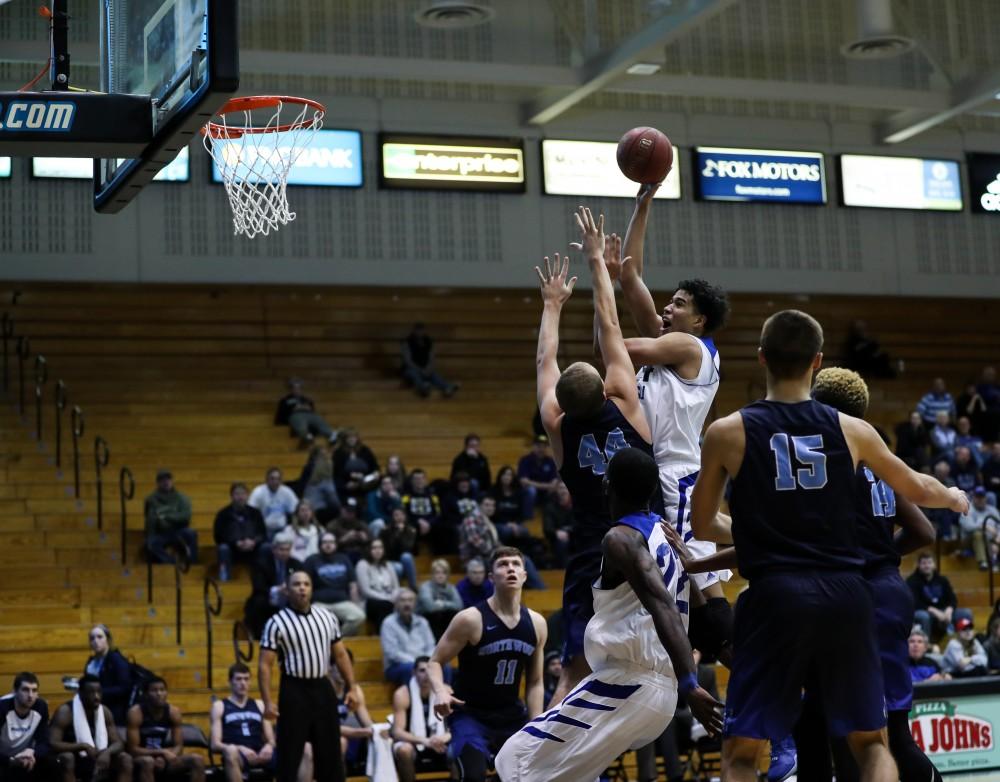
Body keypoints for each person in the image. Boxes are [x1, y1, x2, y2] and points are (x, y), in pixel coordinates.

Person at [689, 309, 967, 782]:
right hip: (846, 593)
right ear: (817, 361)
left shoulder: (727, 432)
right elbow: (919, 489)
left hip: (775, 597)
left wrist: (763, 527)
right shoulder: (853, 430)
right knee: (872, 744)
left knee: (741, 752)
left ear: (761, 358)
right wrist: (955, 497)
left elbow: (701, 524)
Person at [495, 450, 722, 781]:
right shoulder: (664, 533)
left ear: (607, 485)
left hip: (630, 680)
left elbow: (662, 604)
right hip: (655, 691)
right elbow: (699, 608)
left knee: (516, 758)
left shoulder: (621, 538)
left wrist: (690, 681)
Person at [792, 367, 943, 782]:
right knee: (878, 726)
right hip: (888, 591)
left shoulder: (827, 462)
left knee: (842, 725)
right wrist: (877, 555)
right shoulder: (877, 460)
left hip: (849, 597)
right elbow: (923, 530)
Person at [534, 207, 659, 705]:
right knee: (656, 662)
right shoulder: (627, 401)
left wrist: (552, 304)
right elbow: (609, 322)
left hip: (592, 548)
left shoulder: (556, 423)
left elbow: (546, 360)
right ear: (607, 392)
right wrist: (596, 265)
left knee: (573, 668)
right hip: (649, 541)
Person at [611, 186, 734, 669]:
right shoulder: (672, 340)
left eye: (679, 304)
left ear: (699, 320)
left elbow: (618, 348)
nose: (667, 308)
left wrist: (599, 302)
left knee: (701, 583)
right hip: (651, 474)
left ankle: (763, 687)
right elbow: (631, 275)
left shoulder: (690, 348)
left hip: (677, 476)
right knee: (667, 590)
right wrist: (643, 205)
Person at [428, 547, 547, 782]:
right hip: (470, 715)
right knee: (473, 776)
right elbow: (435, 662)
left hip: (511, 715)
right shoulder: (470, 619)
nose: (510, 568)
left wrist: (536, 724)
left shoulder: (537, 623)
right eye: (503, 564)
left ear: (524, 574)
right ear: (491, 577)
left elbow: (535, 682)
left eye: (515, 564)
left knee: (526, 776)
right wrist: (441, 690)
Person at [258, 569, 361, 782]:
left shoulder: (327, 617)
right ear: (287, 590)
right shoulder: (276, 622)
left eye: (306, 584)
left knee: (331, 752)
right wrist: (267, 701)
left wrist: (352, 687)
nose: (302, 588)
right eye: (296, 584)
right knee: (290, 753)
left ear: (312, 589)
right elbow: (265, 665)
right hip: (293, 689)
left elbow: (341, 655)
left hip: (323, 688)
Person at [210, 663, 296, 782]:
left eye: (246, 679)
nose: (243, 683)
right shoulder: (219, 706)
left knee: (298, 750)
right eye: (238, 679)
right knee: (230, 752)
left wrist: (269, 746)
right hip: (238, 755)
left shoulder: (260, 705)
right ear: (230, 682)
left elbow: (271, 739)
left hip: (261, 753)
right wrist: (239, 748)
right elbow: (215, 744)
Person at [49, 676, 132, 782]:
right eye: (91, 692)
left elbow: (118, 743)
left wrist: (107, 753)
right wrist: (83, 746)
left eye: (99, 692)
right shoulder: (65, 712)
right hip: (75, 759)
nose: (96, 696)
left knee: (125, 759)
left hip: (99, 756)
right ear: (81, 693)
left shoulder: (105, 711)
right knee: (67, 758)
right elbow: (53, 743)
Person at [126, 676, 204, 782]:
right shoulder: (135, 713)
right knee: (147, 762)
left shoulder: (173, 712)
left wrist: (167, 757)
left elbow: (178, 745)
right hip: (140, 759)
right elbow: (133, 749)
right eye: (154, 690)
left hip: (163, 759)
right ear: (145, 694)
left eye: (162, 690)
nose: (159, 694)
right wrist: (161, 753)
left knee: (197, 759)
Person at [389, 657, 450, 782]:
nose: (427, 675)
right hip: (414, 742)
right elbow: (397, 732)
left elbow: (457, 726)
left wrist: (445, 737)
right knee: (404, 750)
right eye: (422, 670)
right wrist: (425, 741)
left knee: (461, 745)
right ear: (414, 673)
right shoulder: (402, 694)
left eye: (430, 671)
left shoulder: (446, 692)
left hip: (441, 741)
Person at [243, 531, 304, 638]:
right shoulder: (261, 563)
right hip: (268, 596)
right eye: (281, 549)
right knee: (258, 602)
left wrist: (291, 590)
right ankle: (260, 637)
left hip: (289, 596)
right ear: (274, 549)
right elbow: (258, 586)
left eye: (287, 550)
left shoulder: (296, 564)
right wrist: (278, 589)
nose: (284, 553)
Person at [305, 532, 365, 636]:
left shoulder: (344, 559)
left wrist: (355, 603)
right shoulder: (311, 560)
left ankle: (337, 638)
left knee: (359, 616)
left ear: (336, 544)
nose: (328, 545)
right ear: (320, 545)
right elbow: (305, 584)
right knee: (312, 622)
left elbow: (353, 585)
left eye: (331, 542)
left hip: (342, 602)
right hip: (319, 603)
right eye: (325, 542)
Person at [0, 672, 56, 781]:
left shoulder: (41, 706)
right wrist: (10, 761)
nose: (30, 695)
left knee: (53, 762)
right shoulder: (2, 709)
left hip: (27, 758)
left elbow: (44, 742)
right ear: (14, 691)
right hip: (3, 759)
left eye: (34, 690)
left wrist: (31, 751)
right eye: (25, 690)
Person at [381, 589, 438, 686]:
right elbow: (392, 653)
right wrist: (417, 663)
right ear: (396, 604)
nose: (407, 604)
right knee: (410, 668)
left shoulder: (423, 622)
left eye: (410, 600)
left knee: (445, 668)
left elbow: (431, 646)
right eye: (403, 600)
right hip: (397, 665)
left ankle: (442, 699)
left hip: (423, 662)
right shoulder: (388, 623)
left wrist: (426, 661)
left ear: (415, 603)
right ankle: (413, 699)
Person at [213, 482, 267, 582]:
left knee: (266, 548)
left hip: (253, 549)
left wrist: (254, 542)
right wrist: (235, 542)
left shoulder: (255, 513)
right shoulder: (223, 514)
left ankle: (264, 579)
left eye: (243, 494)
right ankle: (225, 580)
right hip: (233, 550)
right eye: (237, 494)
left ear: (247, 495)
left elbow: (263, 533)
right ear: (231, 496)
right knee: (223, 549)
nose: (240, 497)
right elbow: (218, 536)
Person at [81, 626, 131, 729]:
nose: (96, 641)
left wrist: (98, 692)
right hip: (93, 709)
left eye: (100, 637)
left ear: (107, 639)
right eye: (92, 638)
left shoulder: (117, 660)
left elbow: (125, 688)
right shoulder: (91, 662)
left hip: (114, 711)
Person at [144, 469, 196, 564]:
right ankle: (172, 562)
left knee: (191, 533)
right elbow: (150, 520)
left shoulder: (182, 498)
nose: (166, 482)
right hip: (161, 533)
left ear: (172, 481)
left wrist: (165, 516)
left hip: (178, 531)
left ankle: (192, 563)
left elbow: (185, 517)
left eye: (168, 479)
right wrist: (150, 536)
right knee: (150, 543)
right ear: (158, 483)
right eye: (162, 480)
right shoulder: (151, 499)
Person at [907, 552, 958, 641]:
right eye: (924, 563)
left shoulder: (942, 580)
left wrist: (949, 610)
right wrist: (934, 611)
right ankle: (926, 644)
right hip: (922, 611)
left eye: (930, 563)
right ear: (918, 565)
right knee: (924, 616)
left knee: (965, 613)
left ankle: (956, 643)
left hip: (943, 610)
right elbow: (914, 602)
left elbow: (953, 599)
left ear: (934, 565)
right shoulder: (911, 581)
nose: (927, 566)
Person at [274, 378, 337, 446]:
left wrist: (307, 408)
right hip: (295, 415)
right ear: (290, 389)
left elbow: (312, 409)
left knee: (318, 419)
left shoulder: (306, 399)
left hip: (309, 414)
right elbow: (281, 413)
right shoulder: (285, 400)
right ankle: (306, 436)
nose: (297, 390)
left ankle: (331, 435)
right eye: (294, 388)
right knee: (299, 421)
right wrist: (294, 409)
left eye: (298, 388)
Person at [355, 538, 400, 630]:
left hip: (389, 598)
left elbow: (396, 587)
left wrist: (394, 596)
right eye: (374, 548)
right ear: (368, 550)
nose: (378, 550)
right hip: (370, 601)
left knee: (406, 601)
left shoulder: (388, 564)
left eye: (380, 547)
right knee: (384, 605)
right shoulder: (362, 565)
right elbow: (366, 591)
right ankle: (383, 634)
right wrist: (387, 598)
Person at [401, 322, 458, 398]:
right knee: (414, 374)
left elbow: (432, 358)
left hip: (425, 368)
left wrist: (429, 368)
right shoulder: (407, 342)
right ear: (414, 331)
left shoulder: (428, 341)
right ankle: (423, 388)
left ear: (424, 331)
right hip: (411, 369)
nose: (420, 332)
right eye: (418, 330)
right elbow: (408, 361)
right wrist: (420, 370)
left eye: (421, 330)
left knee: (434, 375)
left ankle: (447, 387)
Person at [417, 559, 464, 640]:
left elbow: (459, 605)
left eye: (444, 573)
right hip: (426, 620)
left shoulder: (451, 587)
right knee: (436, 615)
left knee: (453, 614)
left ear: (448, 575)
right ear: (432, 574)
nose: (440, 575)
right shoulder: (425, 587)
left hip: (443, 620)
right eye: (437, 573)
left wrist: (443, 604)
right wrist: (449, 604)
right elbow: (430, 607)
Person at [249, 468, 299, 540]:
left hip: (283, 529)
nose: (275, 481)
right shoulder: (258, 492)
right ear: (266, 480)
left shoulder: (287, 492)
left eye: (278, 479)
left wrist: (294, 528)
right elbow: (250, 511)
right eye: (272, 479)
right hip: (264, 530)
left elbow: (296, 510)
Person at [332, 429, 380, 503]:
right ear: (345, 439)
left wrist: (376, 472)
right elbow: (337, 471)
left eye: (354, 437)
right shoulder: (339, 453)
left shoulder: (365, 450)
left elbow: (374, 465)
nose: (352, 439)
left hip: (365, 480)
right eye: (349, 437)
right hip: (347, 481)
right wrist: (351, 475)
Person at [516, 435, 559, 519]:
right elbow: (524, 481)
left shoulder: (550, 461)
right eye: (538, 446)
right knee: (531, 491)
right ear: (533, 446)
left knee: (558, 490)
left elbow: (554, 482)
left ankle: (551, 518)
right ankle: (528, 517)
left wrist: (547, 486)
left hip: (546, 493)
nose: (541, 449)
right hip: (530, 492)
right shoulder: (525, 460)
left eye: (544, 446)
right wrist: (545, 486)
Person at [401, 470, 443, 553]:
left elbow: (438, 514)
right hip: (413, 523)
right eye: (416, 479)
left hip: (430, 524)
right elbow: (404, 513)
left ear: (425, 481)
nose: (419, 481)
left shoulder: (433, 496)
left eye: (421, 478)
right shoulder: (406, 496)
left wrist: (429, 523)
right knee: (409, 530)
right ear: (412, 481)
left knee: (442, 530)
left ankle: (439, 558)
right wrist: (418, 521)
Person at [958, 486, 1000, 570]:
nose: (980, 500)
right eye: (978, 497)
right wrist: (985, 526)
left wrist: (998, 540)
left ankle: (994, 561)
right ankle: (984, 562)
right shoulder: (967, 509)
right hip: (968, 541)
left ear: (985, 498)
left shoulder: (992, 510)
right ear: (973, 498)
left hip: (990, 540)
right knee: (978, 534)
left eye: (982, 497)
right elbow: (968, 527)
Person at [297, 445, 341, 523]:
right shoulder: (325, 480)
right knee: (339, 510)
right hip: (316, 511)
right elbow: (334, 501)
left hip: (305, 507)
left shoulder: (309, 474)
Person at [381, 507, 419, 589]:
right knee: (398, 568)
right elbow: (389, 549)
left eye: (402, 514)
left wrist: (401, 534)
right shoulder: (386, 531)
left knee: (406, 556)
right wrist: (397, 534)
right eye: (396, 515)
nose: (399, 517)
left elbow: (408, 548)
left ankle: (413, 587)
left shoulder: (411, 530)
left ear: (405, 516)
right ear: (392, 517)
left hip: (405, 562)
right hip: (390, 560)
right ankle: (395, 589)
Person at [541, 481, 573, 569]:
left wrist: (567, 532)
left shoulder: (576, 505)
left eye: (565, 488)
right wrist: (556, 533)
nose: (563, 491)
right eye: (560, 488)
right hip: (556, 539)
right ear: (556, 490)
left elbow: (581, 525)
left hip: (575, 536)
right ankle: (563, 571)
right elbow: (547, 528)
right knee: (562, 544)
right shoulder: (550, 507)